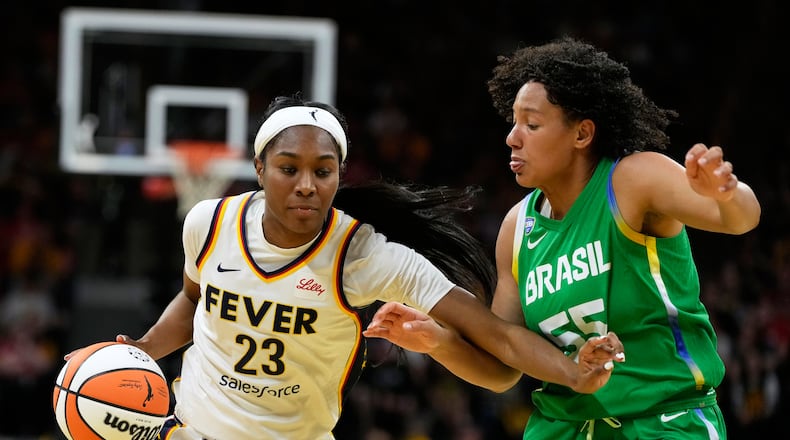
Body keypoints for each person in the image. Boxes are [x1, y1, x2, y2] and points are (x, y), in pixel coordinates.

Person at [65, 94, 623, 440]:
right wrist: (141, 349)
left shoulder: (366, 256)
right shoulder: (209, 223)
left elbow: (497, 337)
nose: (307, 185)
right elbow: (193, 300)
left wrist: (571, 371)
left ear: (340, 174)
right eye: (288, 169)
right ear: (259, 168)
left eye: (324, 171)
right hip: (190, 427)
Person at [363, 36, 761, 439]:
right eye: (513, 122)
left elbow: (740, 219)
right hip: (562, 426)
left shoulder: (633, 181)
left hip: (663, 422)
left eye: (532, 124)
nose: (513, 137)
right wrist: (438, 342)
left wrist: (726, 193)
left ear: (582, 134)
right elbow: (504, 364)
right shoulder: (517, 227)